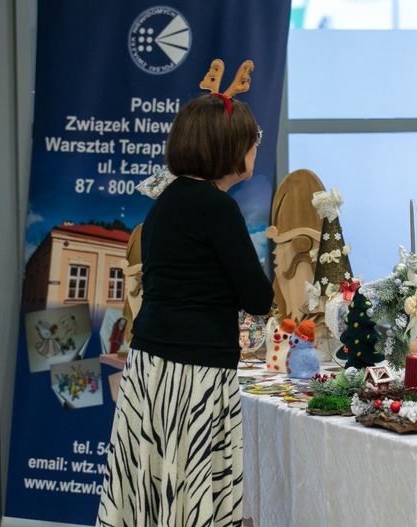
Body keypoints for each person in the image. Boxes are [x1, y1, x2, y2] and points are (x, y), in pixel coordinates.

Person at [97, 85, 273, 526]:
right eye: (254, 137)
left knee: (153, 489)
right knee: (192, 495)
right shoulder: (217, 208)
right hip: (194, 372)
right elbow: (258, 298)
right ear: (229, 145)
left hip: (151, 365)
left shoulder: (167, 200)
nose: (256, 145)